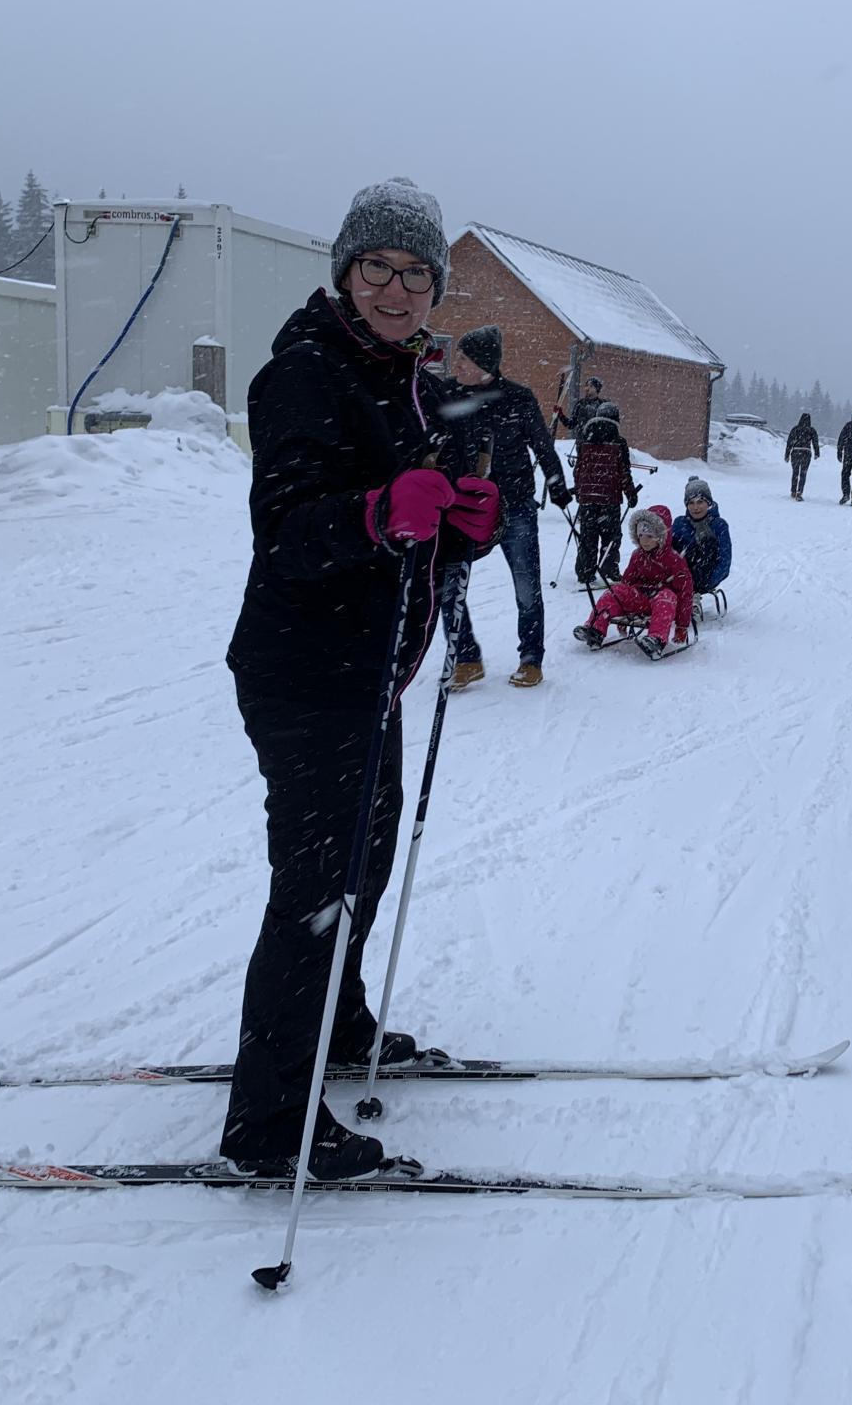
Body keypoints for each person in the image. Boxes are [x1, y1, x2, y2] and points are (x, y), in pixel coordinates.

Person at [221, 177, 499, 1180]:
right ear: (345, 272)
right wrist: (382, 511)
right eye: (377, 267)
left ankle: (338, 1031)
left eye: (415, 273)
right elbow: (292, 534)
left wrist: (460, 528)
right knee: (316, 890)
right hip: (305, 676)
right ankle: (270, 1123)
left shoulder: (403, 377)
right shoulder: (303, 374)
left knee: (362, 868)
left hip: (367, 677)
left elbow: (419, 525)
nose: (395, 288)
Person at [446, 325, 572, 690]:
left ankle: (531, 659)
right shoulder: (450, 394)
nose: (458, 364)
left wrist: (557, 485)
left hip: (513, 505)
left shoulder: (517, 398)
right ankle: (466, 658)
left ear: (484, 363)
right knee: (447, 584)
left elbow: (543, 446)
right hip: (465, 505)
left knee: (526, 585)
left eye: (465, 359)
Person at [573, 505, 694, 659]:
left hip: (662, 602)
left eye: (649, 536)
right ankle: (595, 629)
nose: (644, 541)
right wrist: (622, 610)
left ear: (661, 535)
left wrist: (682, 625)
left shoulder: (674, 560)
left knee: (666, 597)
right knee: (614, 592)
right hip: (640, 598)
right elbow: (627, 582)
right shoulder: (638, 556)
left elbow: (685, 592)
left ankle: (656, 639)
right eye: (641, 535)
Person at [572, 413, 638, 586]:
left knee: (588, 535)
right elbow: (623, 472)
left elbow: (579, 469)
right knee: (611, 536)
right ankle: (608, 568)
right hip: (609, 498)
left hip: (588, 498)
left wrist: (580, 490)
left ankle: (585, 571)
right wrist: (630, 493)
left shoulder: (585, 441)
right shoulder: (619, 442)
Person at [670, 476, 732, 602]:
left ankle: (691, 596)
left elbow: (724, 560)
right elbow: (669, 551)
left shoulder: (718, 525)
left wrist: (709, 581)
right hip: (680, 574)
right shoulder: (680, 523)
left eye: (700, 502)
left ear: (708, 503)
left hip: (705, 575)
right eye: (691, 503)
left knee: (704, 544)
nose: (696, 507)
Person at [556, 375, 610, 441]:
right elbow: (571, 424)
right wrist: (560, 414)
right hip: (582, 442)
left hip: (600, 442)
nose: (587, 388)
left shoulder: (603, 405)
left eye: (591, 386)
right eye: (586, 386)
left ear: (597, 389)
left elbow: (608, 425)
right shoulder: (580, 404)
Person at [785, 412, 819, 499]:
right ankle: (799, 491)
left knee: (795, 473)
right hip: (806, 453)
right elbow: (815, 442)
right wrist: (817, 452)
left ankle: (793, 491)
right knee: (803, 473)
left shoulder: (795, 429)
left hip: (795, 452)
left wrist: (787, 454)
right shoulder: (811, 430)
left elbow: (789, 442)